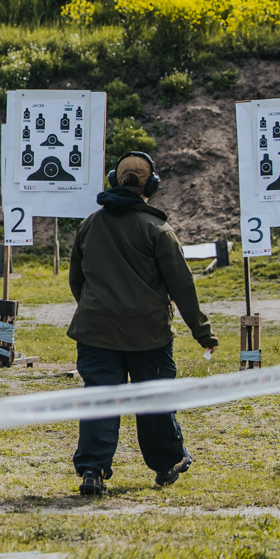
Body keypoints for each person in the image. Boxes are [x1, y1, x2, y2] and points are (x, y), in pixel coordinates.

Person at [66, 150, 218, 495]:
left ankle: (92, 471)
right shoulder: (158, 229)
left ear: (112, 180)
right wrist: (202, 331)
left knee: (100, 401)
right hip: (149, 336)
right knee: (154, 401)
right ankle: (168, 463)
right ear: (152, 184)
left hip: (96, 333)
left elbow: (77, 280)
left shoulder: (89, 224)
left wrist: (97, 309)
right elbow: (183, 286)